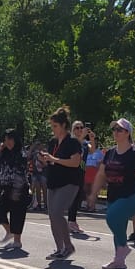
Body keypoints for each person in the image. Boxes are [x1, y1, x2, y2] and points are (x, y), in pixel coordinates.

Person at [87, 118, 135, 269]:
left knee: (111, 217)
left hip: (131, 197)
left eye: (119, 129)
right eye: (114, 129)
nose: (115, 132)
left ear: (128, 133)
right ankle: (119, 260)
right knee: (119, 227)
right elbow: (101, 174)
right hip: (113, 196)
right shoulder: (109, 153)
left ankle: (123, 248)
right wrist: (93, 194)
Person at [40, 107, 84, 260]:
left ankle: (68, 246)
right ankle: (60, 249)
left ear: (64, 125)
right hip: (54, 181)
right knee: (52, 215)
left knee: (58, 212)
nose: (53, 129)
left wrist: (54, 159)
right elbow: (53, 161)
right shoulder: (52, 142)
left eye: (55, 126)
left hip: (69, 181)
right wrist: (46, 160)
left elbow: (75, 162)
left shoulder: (72, 142)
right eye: (52, 126)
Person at [0, 129, 31, 254]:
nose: (7, 142)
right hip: (7, 187)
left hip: (19, 188)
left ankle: (17, 241)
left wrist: (16, 192)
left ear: (15, 140)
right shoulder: (4, 153)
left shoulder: (21, 154)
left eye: (10, 139)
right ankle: (9, 232)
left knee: (17, 215)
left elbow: (21, 172)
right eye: (5, 139)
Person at [29, 142, 48, 211]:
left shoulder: (44, 153)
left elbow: (47, 164)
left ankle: (46, 205)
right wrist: (32, 147)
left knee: (44, 188)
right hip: (35, 174)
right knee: (37, 188)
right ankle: (39, 204)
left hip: (43, 173)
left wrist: (42, 161)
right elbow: (28, 157)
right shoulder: (34, 153)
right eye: (36, 145)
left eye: (39, 145)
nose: (38, 147)